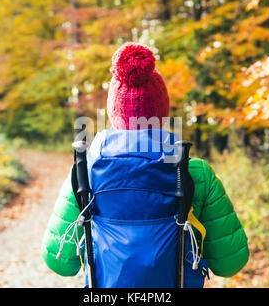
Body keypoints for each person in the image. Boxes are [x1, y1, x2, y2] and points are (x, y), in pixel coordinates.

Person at [41, 42, 249, 287]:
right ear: (162, 111)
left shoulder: (85, 171)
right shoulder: (195, 173)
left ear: (114, 112)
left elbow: (60, 263)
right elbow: (230, 264)